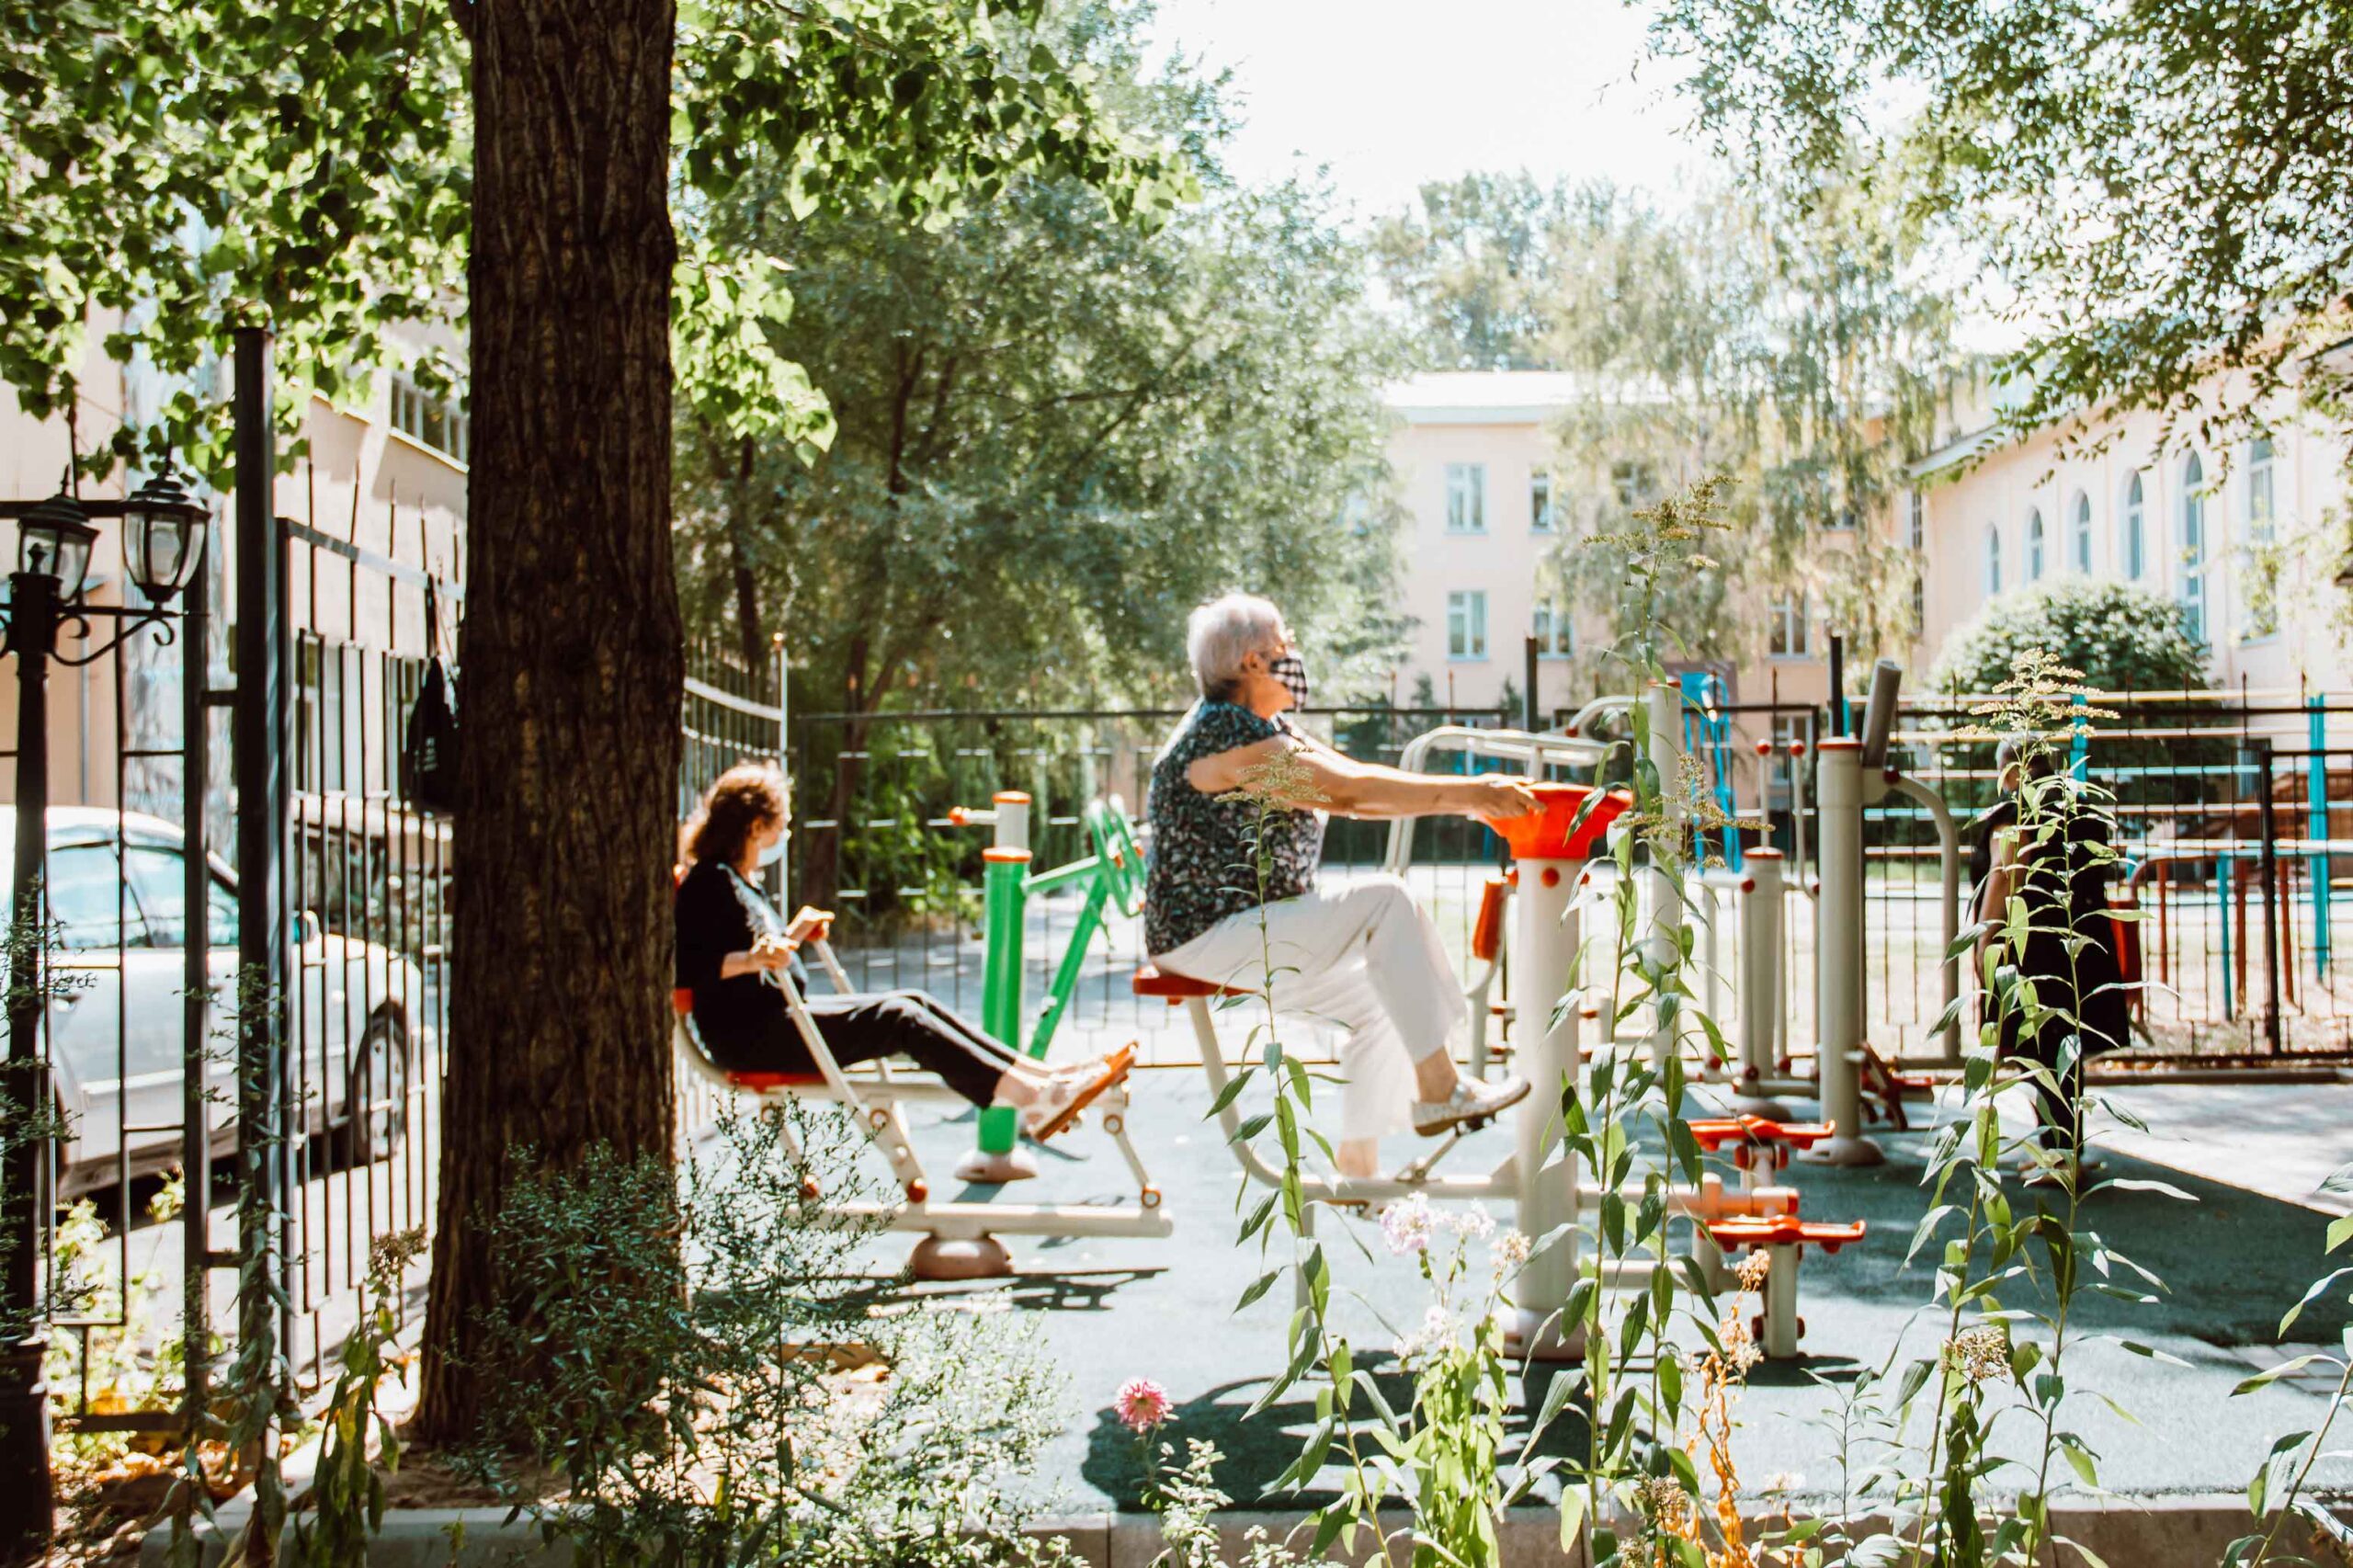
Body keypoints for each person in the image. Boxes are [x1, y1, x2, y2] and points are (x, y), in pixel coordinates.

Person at [1145, 592, 1543, 1180]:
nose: (1296, 657)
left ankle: (1358, 1168)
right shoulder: (1225, 738)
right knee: (1386, 900)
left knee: (1378, 1005)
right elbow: (1350, 793)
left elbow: (1356, 784)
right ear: (1253, 662)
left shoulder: (1265, 730)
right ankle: (1441, 1086)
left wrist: (1467, 799)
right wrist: (1470, 793)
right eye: (1287, 645)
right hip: (1207, 933)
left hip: (1243, 927)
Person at [676, 763, 1129, 1143]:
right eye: (783, 825)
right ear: (756, 827)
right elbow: (693, 967)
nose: (786, 833)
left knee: (914, 1001)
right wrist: (758, 959)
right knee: (900, 1020)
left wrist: (791, 934)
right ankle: (1032, 1101)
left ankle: (1045, 1080)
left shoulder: (736, 880)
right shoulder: (709, 882)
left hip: (775, 1019)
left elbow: (756, 951)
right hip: (753, 1037)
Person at [1968, 735, 2131, 1172]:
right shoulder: (2082, 809)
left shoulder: (2016, 813)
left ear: (2010, 771)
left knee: (2036, 1048)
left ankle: (2057, 1154)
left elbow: (2006, 874)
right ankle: (2063, 1146)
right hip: (2083, 937)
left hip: (2031, 942)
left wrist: (1984, 941)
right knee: (2068, 1046)